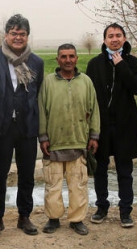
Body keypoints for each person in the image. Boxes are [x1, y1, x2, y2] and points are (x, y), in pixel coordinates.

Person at [0, 14, 45, 235]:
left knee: (27, 173)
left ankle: (24, 216)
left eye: (22, 34)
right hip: (1, 127)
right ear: (6, 35)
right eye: (14, 33)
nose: (18, 37)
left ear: (27, 36)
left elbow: (37, 93)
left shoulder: (36, 62)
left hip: (27, 127)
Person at [85, 23, 137, 228]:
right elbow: (88, 96)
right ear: (104, 40)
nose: (115, 39)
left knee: (124, 171)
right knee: (100, 169)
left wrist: (121, 66)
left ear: (125, 39)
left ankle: (125, 211)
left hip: (125, 125)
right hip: (101, 125)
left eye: (118, 35)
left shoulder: (133, 63)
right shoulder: (95, 64)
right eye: (110, 36)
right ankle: (102, 207)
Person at [38, 44, 100, 235]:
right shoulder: (48, 82)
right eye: (63, 56)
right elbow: (42, 111)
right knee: (53, 184)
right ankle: (53, 218)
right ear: (57, 59)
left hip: (78, 142)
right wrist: (43, 136)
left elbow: (94, 109)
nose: (67, 60)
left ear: (76, 58)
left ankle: (76, 219)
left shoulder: (86, 81)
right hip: (54, 143)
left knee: (78, 184)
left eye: (71, 56)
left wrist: (94, 136)